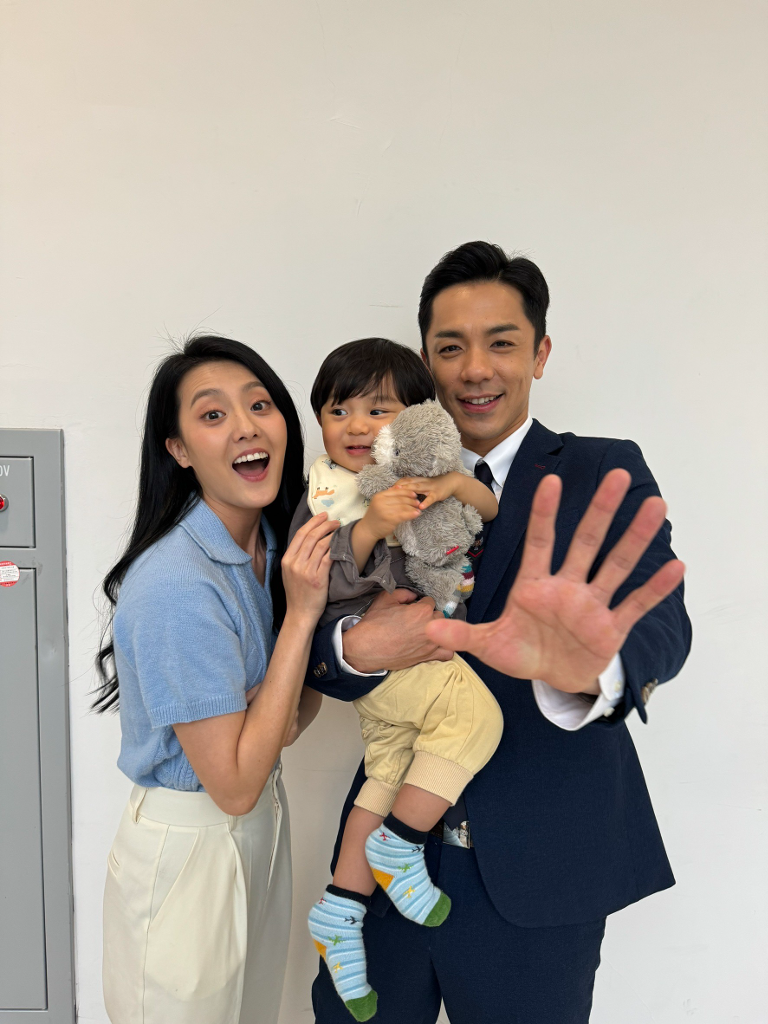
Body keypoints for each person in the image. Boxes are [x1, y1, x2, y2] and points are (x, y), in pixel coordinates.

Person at [307, 242, 691, 1024]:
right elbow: (305, 623)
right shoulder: (360, 483)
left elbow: (662, 625)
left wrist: (591, 668)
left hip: (543, 867)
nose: (475, 369)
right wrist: (354, 650)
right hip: (384, 853)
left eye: (502, 343)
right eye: (451, 348)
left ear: (540, 354)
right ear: (427, 361)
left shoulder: (602, 469)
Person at [93, 335, 337, 1024]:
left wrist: (266, 711)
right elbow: (232, 783)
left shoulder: (275, 547)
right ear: (178, 449)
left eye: (259, 405)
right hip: (189, 848)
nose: (246, 427)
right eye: (212, 415)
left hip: (261, 829)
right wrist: (302, 620)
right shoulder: (177, 584)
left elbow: (291, 719)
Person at [290, 338, 502, 1020]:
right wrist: (370, 525)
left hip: (390, 691)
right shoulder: (327, 492)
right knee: (476, 716)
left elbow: (487, 510)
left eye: (377, 410)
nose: (355, 425)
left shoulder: (423, 475)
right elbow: (316, 583)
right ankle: (401, 845)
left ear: (416, 419)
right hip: (386, 659)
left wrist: (454, 485)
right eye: (338, 410)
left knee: (385, 776)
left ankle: (341, 908)